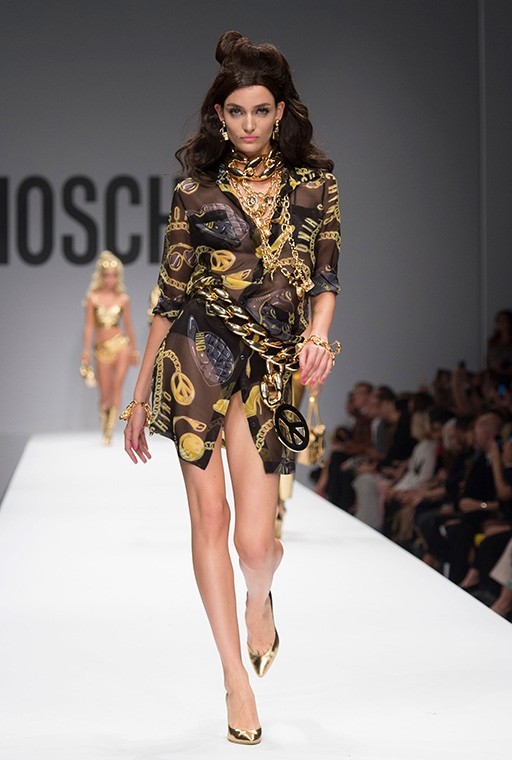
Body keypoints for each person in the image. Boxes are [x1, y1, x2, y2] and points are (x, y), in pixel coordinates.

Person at [121, 31, 340, 746]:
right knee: (209, 520)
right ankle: (234, 680)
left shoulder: (315, 183)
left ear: (281, 112)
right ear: (219, 115)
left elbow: (327, 278)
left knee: (253, 543)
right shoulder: (195, 192)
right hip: (198, 355)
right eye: (236, 111)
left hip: (270, 365)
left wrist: (316, 337)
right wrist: (138, 395)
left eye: (260, 110)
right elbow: (168, 295)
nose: (248, 123)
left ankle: (259, 598)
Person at [81, 250, 139, 444]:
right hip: (101, 348)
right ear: (101, 276)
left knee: (117, 384)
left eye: (114, 276)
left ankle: (110, 429)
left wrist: (134, 350)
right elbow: (89, 326)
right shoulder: (92, 298)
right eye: (107, 275)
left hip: (121, 344)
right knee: (104, 392)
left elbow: (128, 326)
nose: (110, 279)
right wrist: (85, 351)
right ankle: (105, 422)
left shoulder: (123, 299)